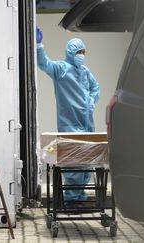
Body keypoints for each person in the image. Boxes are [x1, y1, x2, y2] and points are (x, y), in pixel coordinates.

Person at [36, 27, 100, 203]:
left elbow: (96, 87)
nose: (81, 54)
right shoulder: (61, 69)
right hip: (70, 123)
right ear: (70, 53)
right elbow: (44, 64)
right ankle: (71, 198)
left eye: (83, 51)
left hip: (87, 123)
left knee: (86, 161)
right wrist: (39, 45)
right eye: (78, 51)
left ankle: (80, 196)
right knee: (73, 161)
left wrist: (92, 100)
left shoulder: (85, 71)